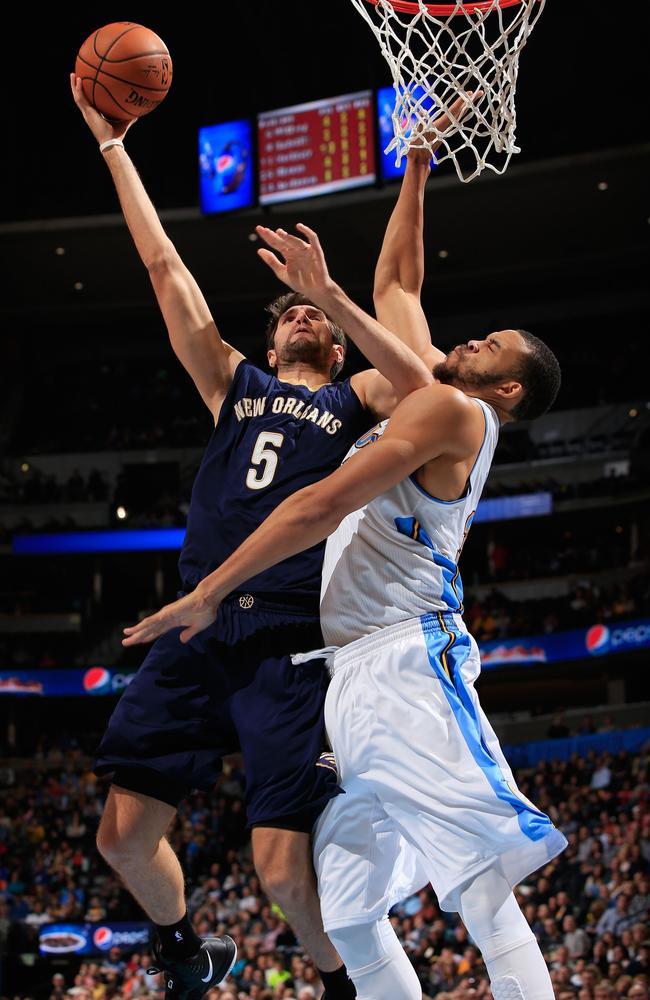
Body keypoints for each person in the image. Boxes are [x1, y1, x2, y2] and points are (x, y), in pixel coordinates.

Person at [123, 160, 567, 998]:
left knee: (478, 884)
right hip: (343, 674)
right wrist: (420, 166)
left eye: (492, 344)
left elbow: (320, 504)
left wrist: (212, 587)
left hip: (409, 658)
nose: (470, 338)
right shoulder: (423, 394)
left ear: (506, 386)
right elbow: (399, 277)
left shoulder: (454, 410)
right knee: (353, 911)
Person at [69, 72, 435, 1000]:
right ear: (271, 348)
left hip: (292, 642)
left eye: (314, 314)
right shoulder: (233, 386)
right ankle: (183, 951)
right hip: (198, 627)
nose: (301, 316)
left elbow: (427, 376)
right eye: (290, 315)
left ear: (339, 345)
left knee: (281, 874)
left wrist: (336, 288)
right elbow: (166, 271)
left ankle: (343, 982)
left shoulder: (361, 400)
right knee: (119, 837)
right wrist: (114, 147)